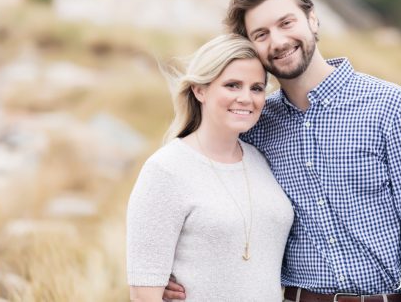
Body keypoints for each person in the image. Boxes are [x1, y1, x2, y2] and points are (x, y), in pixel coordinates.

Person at [164, 0, 401, 302]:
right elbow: (210, 206)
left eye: (286, 23)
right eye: (261, 34)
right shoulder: (253, 126)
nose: (279, 41)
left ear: (312, 19)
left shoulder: (391, 108)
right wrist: (179, 271)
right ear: (251, 46)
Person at [126, 34, 294, 302]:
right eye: (232, 85)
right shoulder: (166, 170)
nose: (246, 98)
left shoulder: (262, 160)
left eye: (257, 88)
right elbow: (143, 292)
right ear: (200, 90)